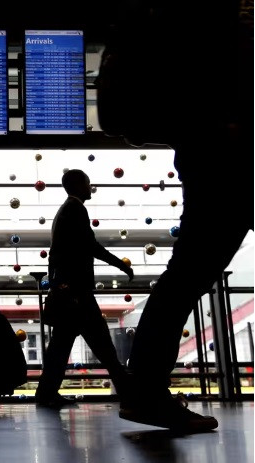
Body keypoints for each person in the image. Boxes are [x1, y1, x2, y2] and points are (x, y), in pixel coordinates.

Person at [97, 1, 253, 432]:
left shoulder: (162, 17)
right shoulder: (208, 19)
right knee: (188, 275)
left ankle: (146, 389)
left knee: (187, 275)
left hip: (213, 149)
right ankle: (146, 389)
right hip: (230, 150)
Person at [35, 169, 134, 409]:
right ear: (79, 185)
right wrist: (120, 264)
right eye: (88, 183)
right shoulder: (76, 209)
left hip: (67, 292)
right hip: (78, 293)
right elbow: (91, 246)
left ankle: (46, 393)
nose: (91, 187)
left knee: (62, 347)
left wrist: (55, 283)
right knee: (103, 346)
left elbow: (55, 253)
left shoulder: (64, 211)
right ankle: (129, 393)